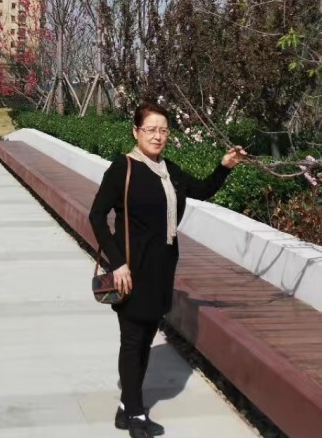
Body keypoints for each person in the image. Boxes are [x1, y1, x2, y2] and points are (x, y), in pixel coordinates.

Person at [89, 100, 245, 438]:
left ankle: (125, 408)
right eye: (150, 130)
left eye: (163, 130)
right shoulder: (123, 168)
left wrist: (224, 167)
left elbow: (201, 190)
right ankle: (136, 413)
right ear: (136, 131)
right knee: (133, 341)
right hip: (130, 272)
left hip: (161, 270)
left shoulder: (170, 171)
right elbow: (97, 216)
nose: (157, 136)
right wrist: (118, 263)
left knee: (145, 338)